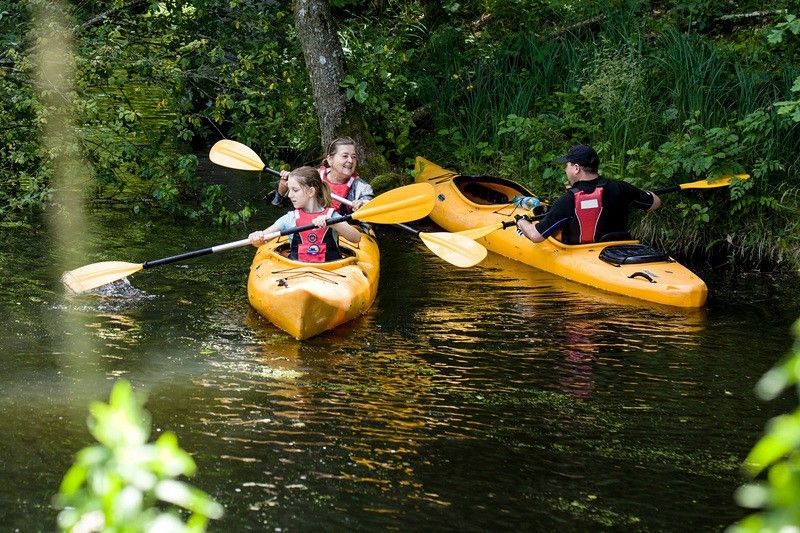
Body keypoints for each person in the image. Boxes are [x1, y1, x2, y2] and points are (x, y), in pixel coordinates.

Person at [515, 144, 661, 244]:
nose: (565, 170)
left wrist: (522, 221)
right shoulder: (621, 188)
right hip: (622, 249)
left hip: (584, 255)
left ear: (576, 168)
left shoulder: (568, 201)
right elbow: (655, 203)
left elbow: (535, 236)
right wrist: (643, 193)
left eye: (567, 165)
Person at [250, 166, 362, 262]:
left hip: (330, 269)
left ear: (311, 192)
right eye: (289, 190)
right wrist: (256, 237)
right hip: (297, 269)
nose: (289, 195)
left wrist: (333, 223)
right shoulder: (290, 218)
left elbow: (356, 238)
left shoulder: (331, 215)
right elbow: (262, 239)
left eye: (295, 190)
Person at [272, 136, 374, 213]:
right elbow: (279, 204)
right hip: (310, 225)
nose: (351, 161)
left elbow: (369, 206)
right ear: (330, 159)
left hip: (346, 231)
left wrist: (363, 205)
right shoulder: (311, 177)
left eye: (354, 157)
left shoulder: (363, 188)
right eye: (345, 156)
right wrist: (283, 186)